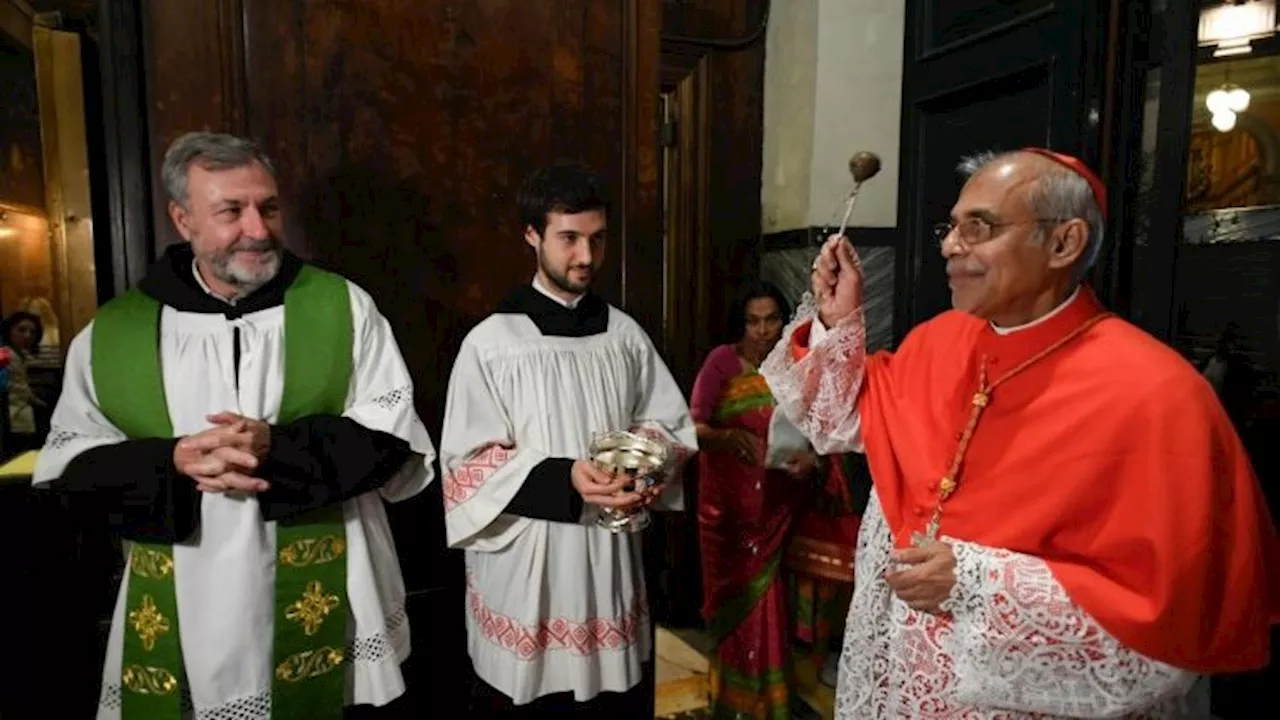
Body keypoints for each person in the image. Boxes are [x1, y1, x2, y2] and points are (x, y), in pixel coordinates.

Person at [761, 147, 1280, 718]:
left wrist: (979, 583)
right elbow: (839, 422)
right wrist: (838, 321)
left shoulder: (1159, 393)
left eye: (978, 227)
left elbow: (1170, 617)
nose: (950, 246)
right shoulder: (940, 340)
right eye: (951, 227)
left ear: (1064, 242)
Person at [32, 131, 436, 720]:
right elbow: (71, 469)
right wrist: (170, 461)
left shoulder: (341, 307)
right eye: (231, 211)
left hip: (333, 594)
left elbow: (393, 440)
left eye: (268, 207)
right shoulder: (114, 335)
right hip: (189, 603)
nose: (259, 228)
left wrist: (279, 448)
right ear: (182, 218)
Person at [439, 159, 697, 716]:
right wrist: (565, 478)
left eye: (598, 240)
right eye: (569, 239)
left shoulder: (625, 335)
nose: (586, 257)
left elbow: (667, 424)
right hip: (530, 564)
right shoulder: (492, 342)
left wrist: (644, 467)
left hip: (610, 558)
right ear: (532, 236)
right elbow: (465, 467)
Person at [691, 281, 824, 718]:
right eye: (754, 320)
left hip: (778, 508)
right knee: (735, 606)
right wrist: (729, 437)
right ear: (741, 323)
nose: (764, 330)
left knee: (771, 604)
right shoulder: (721, 364)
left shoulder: (794, 366)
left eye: (772, 320)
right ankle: (731, 703)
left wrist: (811, 461)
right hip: (727, 514)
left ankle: (771, 702)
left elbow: (822, 433)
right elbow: (692, 429)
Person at [1, 311, 47, 447]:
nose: (27, 335)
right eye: (21, 330)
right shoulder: (6, 355)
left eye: (32, 332)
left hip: (20, 414)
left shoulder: (18, 355)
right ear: (9, 331)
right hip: (12, 417)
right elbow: (18, 389)